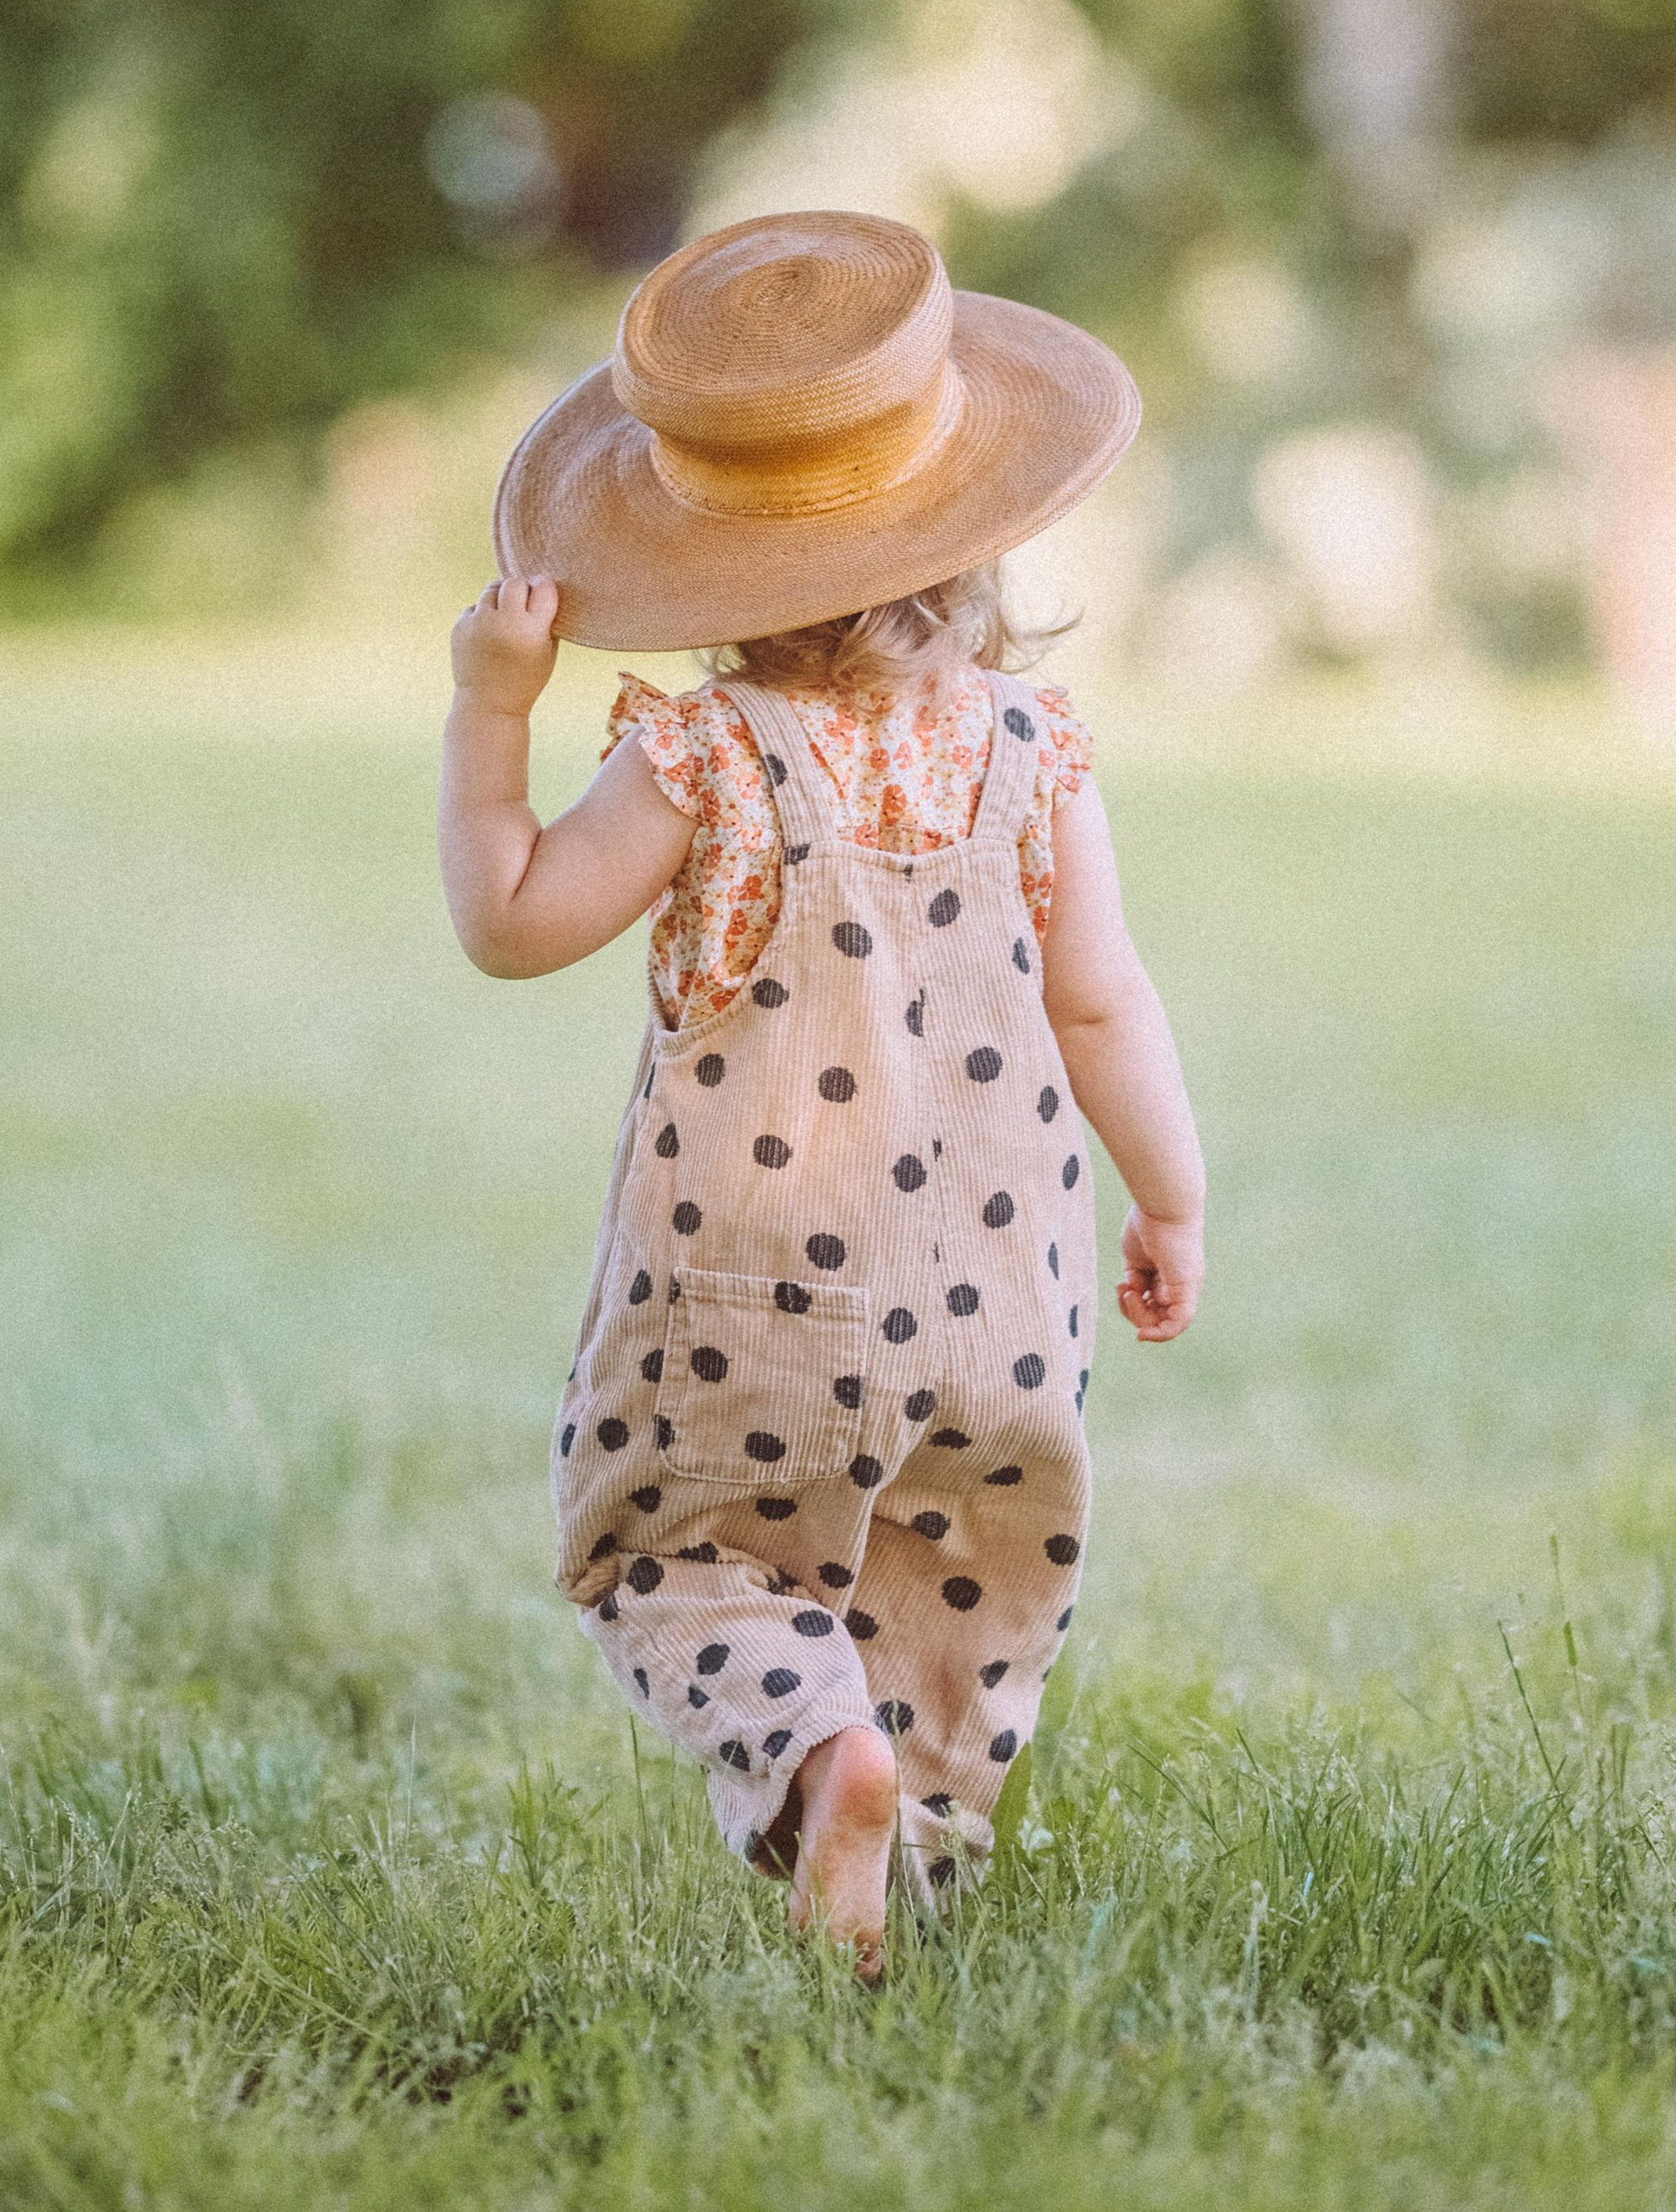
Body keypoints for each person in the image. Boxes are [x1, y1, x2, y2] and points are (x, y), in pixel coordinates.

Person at [438, 209, 1206, 1979]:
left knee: (679, 1558)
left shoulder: (699, 754)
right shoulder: (1034, 748)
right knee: (962, 1578)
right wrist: (1164, 1192)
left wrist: (492, 711)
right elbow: (1101, 996)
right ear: (975, 527)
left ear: (698, 552)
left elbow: (510, 921)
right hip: (1004, 1294)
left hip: (746, 1304)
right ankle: (907, 1845)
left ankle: (812, 1752)